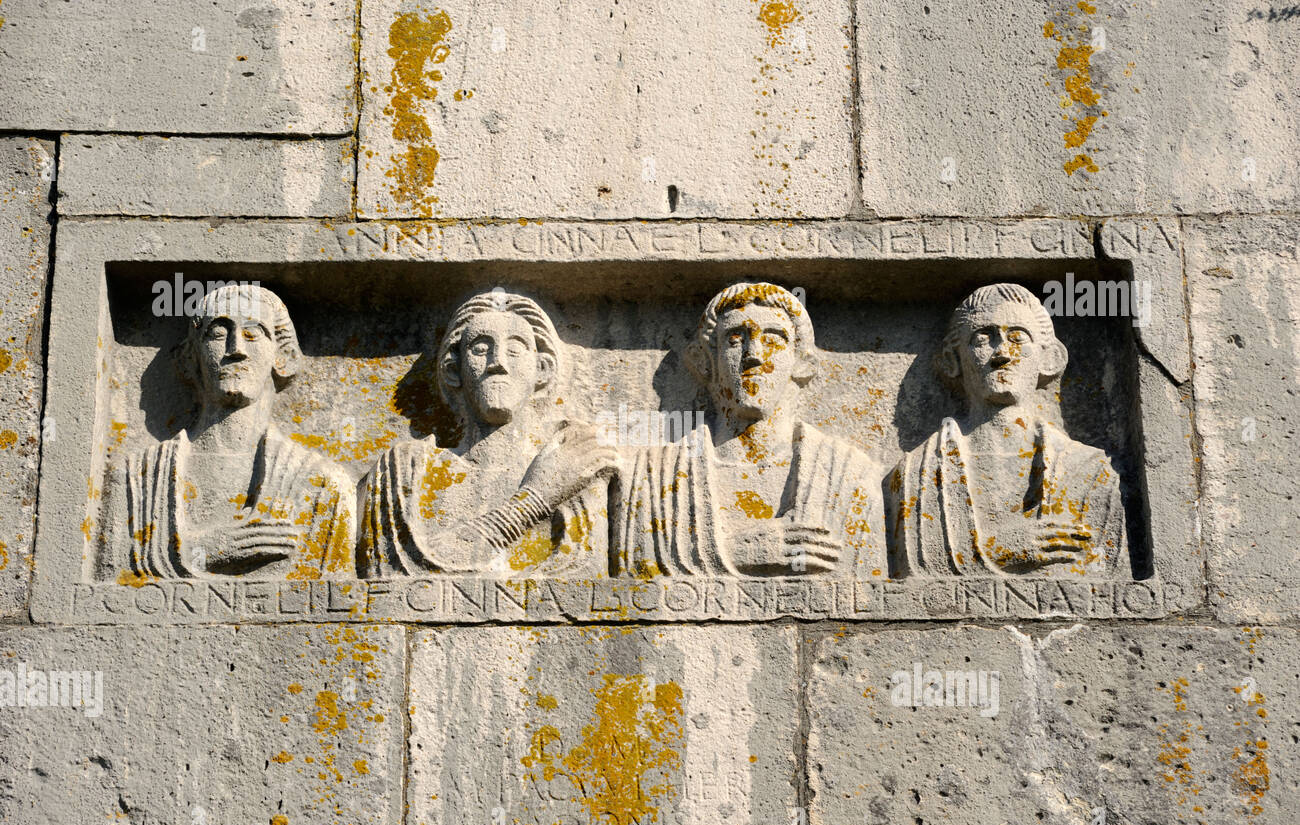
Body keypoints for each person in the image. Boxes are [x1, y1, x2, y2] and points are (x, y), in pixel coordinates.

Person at [614, 281, 886, 577]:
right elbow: (635, 582)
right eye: (735, 338)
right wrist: (733, 551)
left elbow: (870, 595)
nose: (754, 353)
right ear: (705, 362)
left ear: (802, 364)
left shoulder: (848, 477)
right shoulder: (654, 478)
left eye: (773, 339)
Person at [359, 290, 616, 577]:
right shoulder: (405, 469)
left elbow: (580, 577)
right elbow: (399, 572)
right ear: (453, 370)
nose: (498, 362)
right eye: (480, 349)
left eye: (516, 350)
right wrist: (534, 500)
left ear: (542, 370)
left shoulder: (574, 459)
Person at [887, 282, 1127, 577]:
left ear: (1050, 359)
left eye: (1018, 337)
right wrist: (995, 548)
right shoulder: (915, 475)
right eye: (983, 338)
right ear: (952, 360)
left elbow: (1103, 581)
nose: (1002, 352)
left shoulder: (1091, 471)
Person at [125, 285, 354, 579]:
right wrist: (204, 550)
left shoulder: (323, 486)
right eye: (218, 334)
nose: (236, 349)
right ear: (189, 358)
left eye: (253, 333)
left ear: (282, 356)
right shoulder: (140, 480)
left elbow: (334, 603)